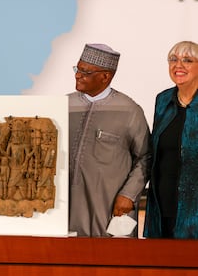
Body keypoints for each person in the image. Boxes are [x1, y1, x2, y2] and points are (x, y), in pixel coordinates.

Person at [68, 43, 151, 237]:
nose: (77, 75)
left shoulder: (129, 110)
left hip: (111, 209)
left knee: (111, 263)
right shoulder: (64, 105)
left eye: (85, 71)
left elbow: (146, 157)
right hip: (66, 210)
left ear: (105, 76)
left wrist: (129, 195)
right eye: (77, 69)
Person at [144, 41, 198, 239]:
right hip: (163, 203)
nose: (178, 65)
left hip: (194, 210)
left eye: (187, 60)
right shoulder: (163, 100)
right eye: (173, 60)